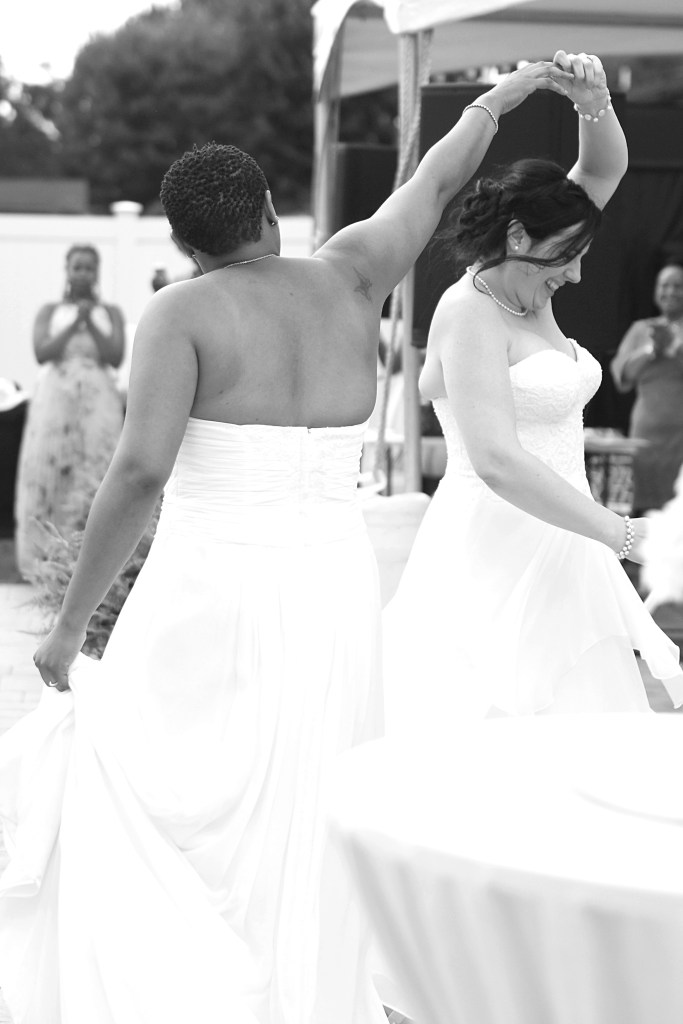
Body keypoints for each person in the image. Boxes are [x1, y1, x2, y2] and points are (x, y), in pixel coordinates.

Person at [0, 59, 571, 1023]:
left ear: (183, 244)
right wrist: (501, 97)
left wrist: (68, 627)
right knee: (309, 799)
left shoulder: (180, 311)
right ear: (269, 210)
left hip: (208, 588)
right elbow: (436, 179)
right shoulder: (350, 274)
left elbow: (137, 476)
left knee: (168, 795)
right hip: (333, 591)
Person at [384, 53, 683, 730]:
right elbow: (494, 459)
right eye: (567, 257)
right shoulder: (469, 310)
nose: (574, 276)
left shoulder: (531, 275)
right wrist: (621, 533)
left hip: (566, 539)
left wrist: (594, 102)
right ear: (517, 235)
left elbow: (601, 172)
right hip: (493, 551)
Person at [14, 244, 125, 578]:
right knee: (51, 468)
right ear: (67, 270)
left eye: (89, 268)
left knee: (96, 467)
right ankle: (45, 561)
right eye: (78, 267)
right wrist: (74, 320)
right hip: (55, 400)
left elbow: (114, 356)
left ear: (97, 272)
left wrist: (90, 320)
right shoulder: (50, 311)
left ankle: (94, 562)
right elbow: (42, 352)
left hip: (98, 400)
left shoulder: (111, 312)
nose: (83, 274)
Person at [610, 261, 683, 514]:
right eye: (664, 285)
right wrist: (651, 350)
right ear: (655, 291)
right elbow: (622, 377)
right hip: (646, 433)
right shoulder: (641, 330)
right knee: (643, 508)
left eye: (678, 286)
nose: (670, 291)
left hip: (680, 437)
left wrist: (675, 347)